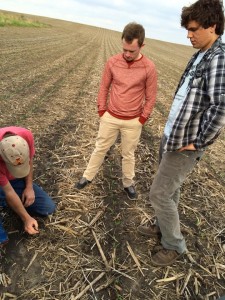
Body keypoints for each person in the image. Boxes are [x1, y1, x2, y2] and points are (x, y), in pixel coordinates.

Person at [137, 0, 225, 266]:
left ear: (213, 26)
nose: (189, 35)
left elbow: (221, 106)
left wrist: (198, 142)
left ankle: (174, 246)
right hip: (173, 135)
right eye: (187, 29)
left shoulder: (219, 58)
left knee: (159, 193)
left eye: (194, 29)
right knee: (169, 189)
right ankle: (163, 226)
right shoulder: (201, 53)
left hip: (186, 143)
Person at [76, 22, 157, 199]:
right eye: (125, 49)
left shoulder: (148, 67)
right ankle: (87, 177)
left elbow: (151, 97)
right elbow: (104, 88)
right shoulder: (112, 62)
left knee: (128, 154)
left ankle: (128, 183)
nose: (127, 54)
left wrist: (142, 119)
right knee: (100, 148)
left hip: (133, 121)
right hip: (110, 117)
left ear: (142, 45)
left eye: (132, 51)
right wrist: (101, 111)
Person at [0, 126, 56, 246]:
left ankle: (8, 202)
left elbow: (29, 161)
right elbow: (9, 191)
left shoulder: (26, 136)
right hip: (3, 182)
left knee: (47, 208)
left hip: (12, 180)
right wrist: (26, 218)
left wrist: (29, 187)